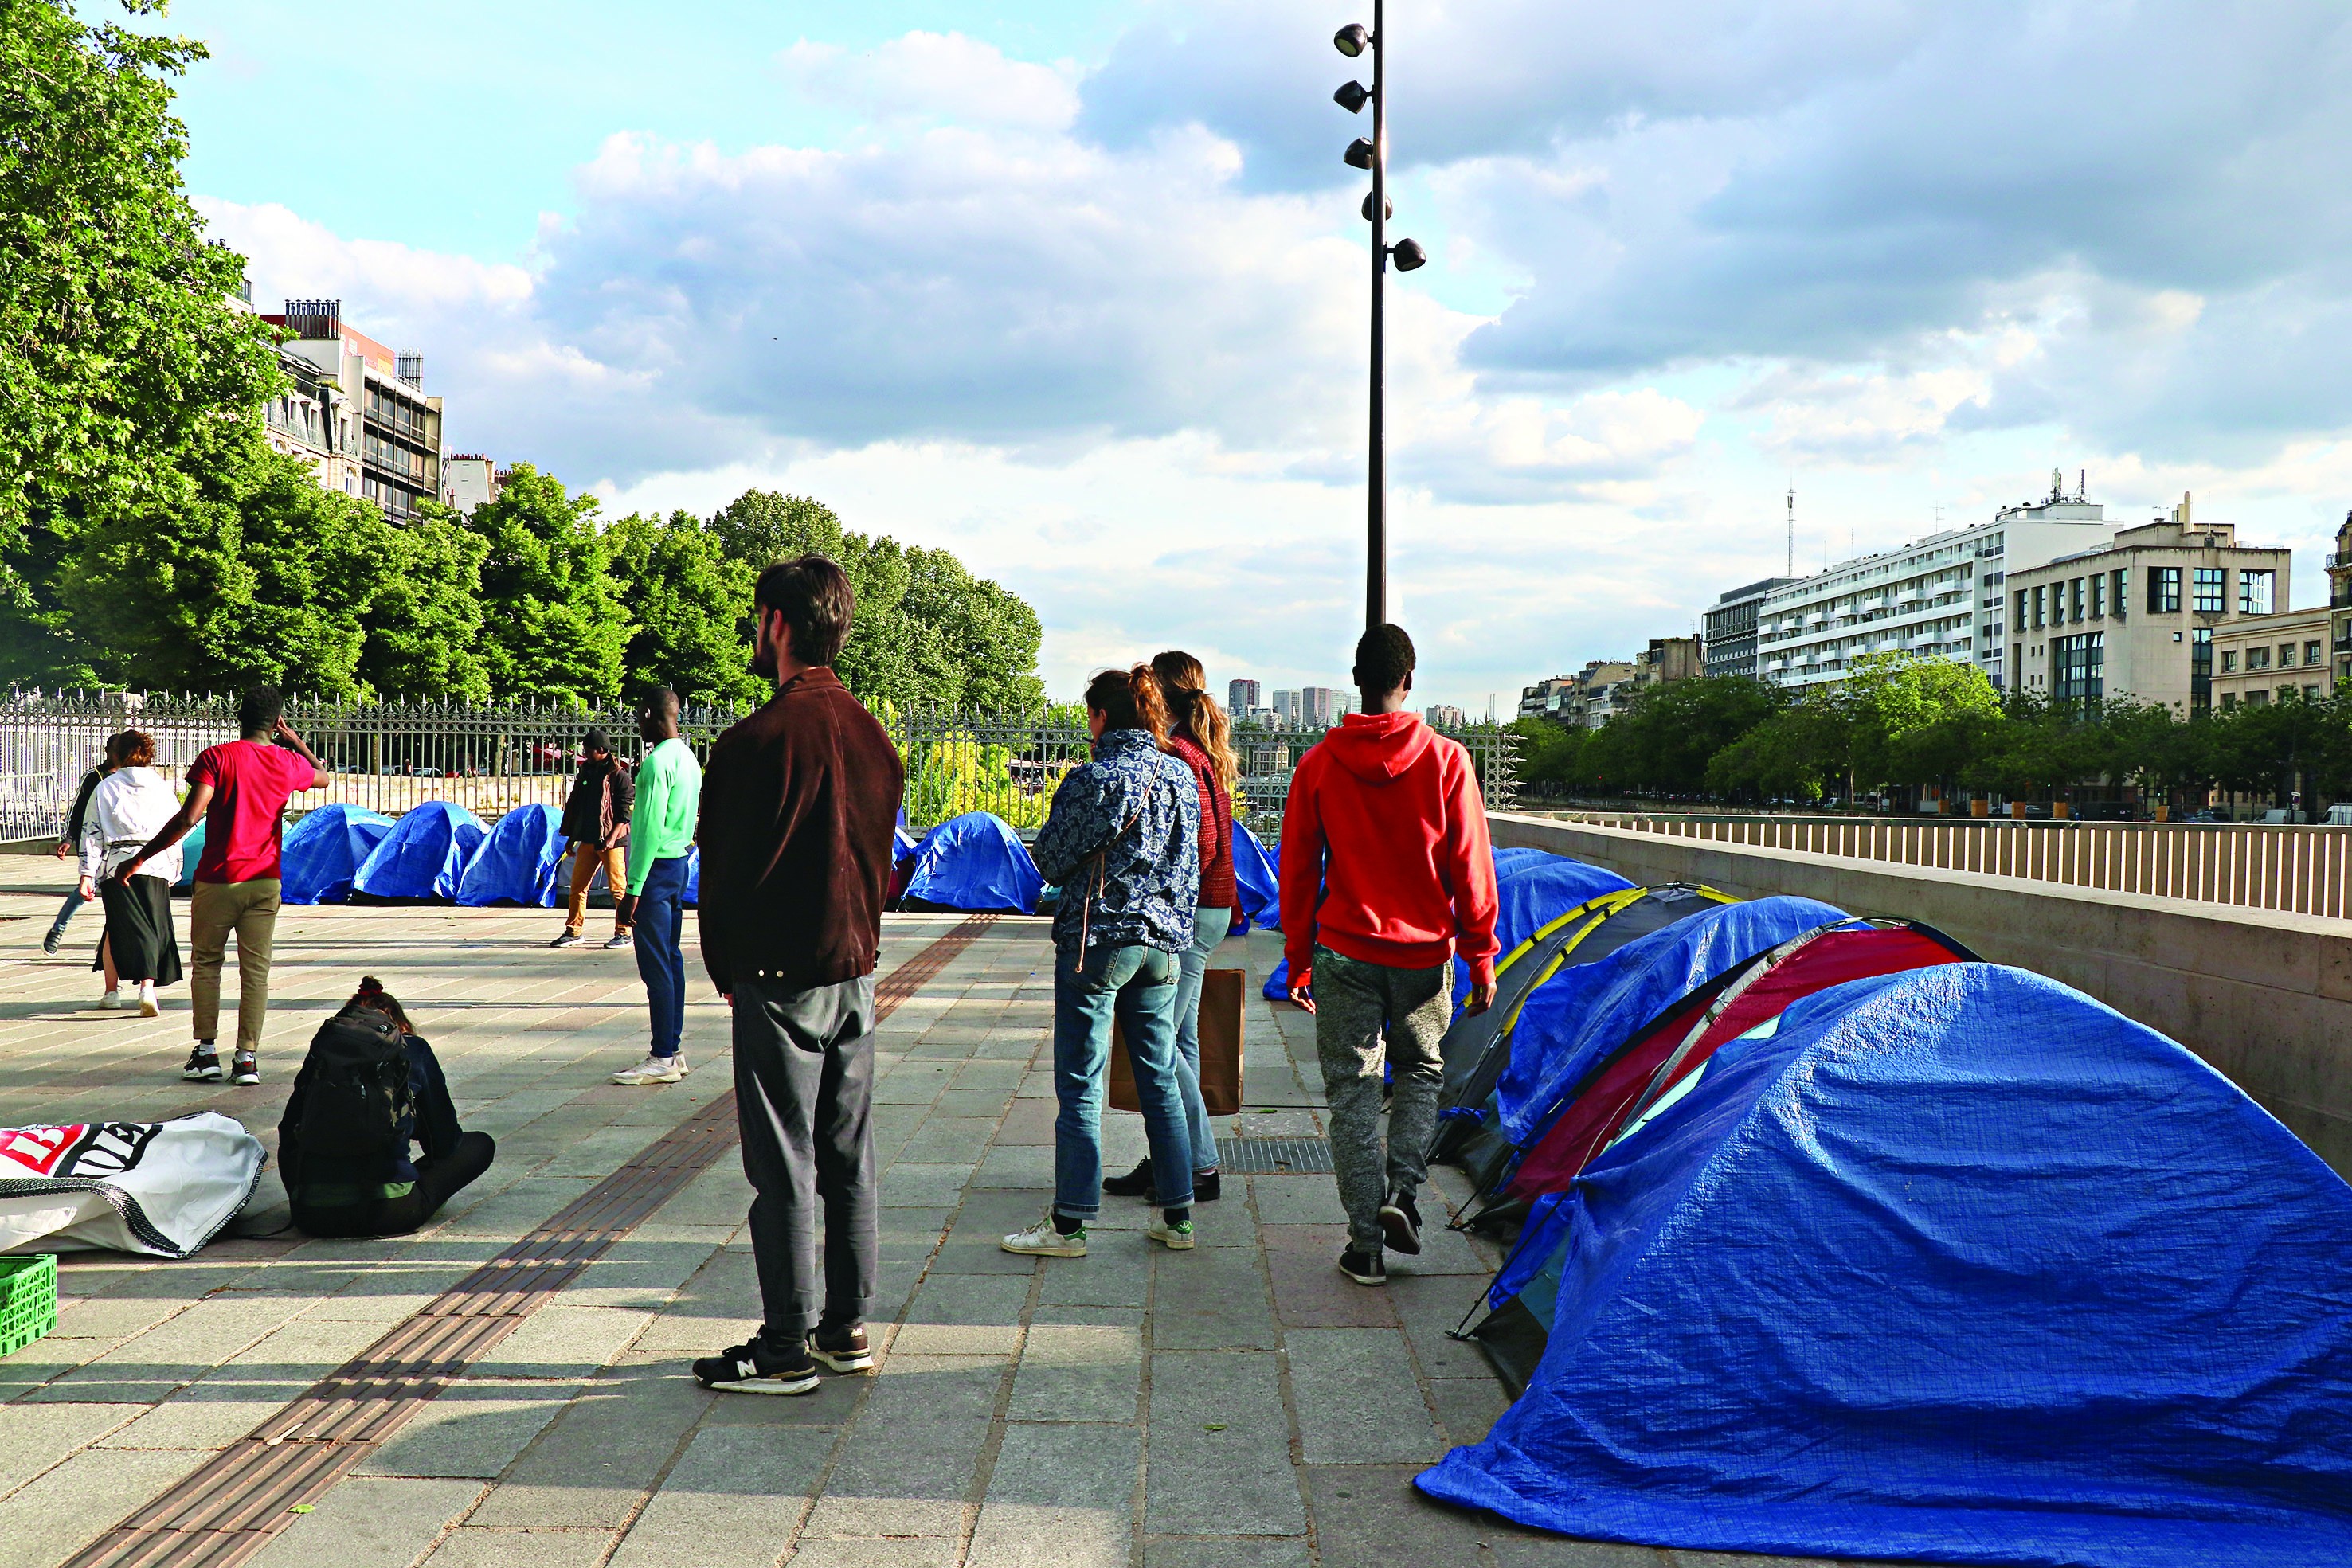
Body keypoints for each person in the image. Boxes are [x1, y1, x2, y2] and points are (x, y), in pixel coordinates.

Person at [690, 554, 905, 1396]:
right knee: (849, 1154)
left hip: (778, 976)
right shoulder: (871, 733)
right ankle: (844, 1326)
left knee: (782, 1162)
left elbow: (725, 868)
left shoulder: (755, 741)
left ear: (777, 623)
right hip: (852, 968)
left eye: (756, 618)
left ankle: (784, 1343)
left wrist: (728, 965)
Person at [1278, 624, 1499, 1287]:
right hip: (1424, 956)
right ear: (1409, 679)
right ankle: (1403, 1193)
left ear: (1356, 677)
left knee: (1351, 1091)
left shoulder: (1318, 763)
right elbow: (1470, 864)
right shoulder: (1447, 760)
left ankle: (1364, 1246)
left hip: (1344, 951)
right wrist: (1480, 953)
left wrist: (1297, 956)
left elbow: (1295, 870)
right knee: (1422, 1073)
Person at [1004, 666, 1201, 1261]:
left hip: (1100, 945)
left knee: (1081, 1082)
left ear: (1099, 717)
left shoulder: (1093, 778)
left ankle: (1068, 1224)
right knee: (1160, 1077)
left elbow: (1051, 861)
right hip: (1165, 946)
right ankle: (1178, 1215)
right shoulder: (1181, 777)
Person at [113, 686, 327, 1086]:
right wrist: (295, 740)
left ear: (239, 717)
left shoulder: (218, 757)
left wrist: (140, 858)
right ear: (276, 721)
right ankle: (247, 1058)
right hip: (265, 880)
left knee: (208, 964)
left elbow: (188, 818)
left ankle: (207, 1052)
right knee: (256, 972)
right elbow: (324, 777)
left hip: (218, 879)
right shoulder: (286, 762)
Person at [1104, 652, 1243, 1206]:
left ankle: (1199, 1167)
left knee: (1159, 1041)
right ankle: (1172, 1154)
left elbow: (1203, 843)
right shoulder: (1197, 746)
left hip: (1192, 910)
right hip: (1211, 905)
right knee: (1179, 1038)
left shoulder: (1180, 752)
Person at [279, 977, 496, 1238]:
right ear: (401, 1026)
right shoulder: (413, 1048)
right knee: (479, 1144)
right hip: (388, 1213)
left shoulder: (323, 1053)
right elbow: (444, 1142)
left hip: (312, 1217)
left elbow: (288, 1134)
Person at [610, 688, 702, 1086]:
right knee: (671, 958)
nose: (638, 721)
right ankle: (674, 1049)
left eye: (639, 714)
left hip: (655, 867)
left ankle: (663, 1053)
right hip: (679, 862)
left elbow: (646, 830)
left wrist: (632, 888)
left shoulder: (655, 763)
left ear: (649, 713)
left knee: (655, 966)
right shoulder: (688, 758)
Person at [79, 731, 184, 1017]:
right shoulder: (162, 787)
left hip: (116, 864)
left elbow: (92, 833)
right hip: (156, 863)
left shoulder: (106, 786)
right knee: (152, 925)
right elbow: (177, 828)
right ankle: (146, 988)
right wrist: (176, 866)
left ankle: (111, 992)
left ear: (118, 754)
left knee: (116, 925)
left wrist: (87, 873)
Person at [550, 727, 634, 950]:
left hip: (612, 842)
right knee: (578, 886)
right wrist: (571, 838)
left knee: (618, 888)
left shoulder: (619, 776)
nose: (585, 753)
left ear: (601, 750)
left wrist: (611, 838)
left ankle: (624, 932)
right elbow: (577, 806)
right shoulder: (586, 771)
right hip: (588, 839)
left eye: (588, 750)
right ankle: (573, 931)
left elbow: (624, 814)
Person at [45, 742, 117, 955]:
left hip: (120, 843)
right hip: (95, 841)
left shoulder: (129, 777)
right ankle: (57, 930)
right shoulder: (94, 776)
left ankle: (108, 942)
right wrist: (69, 838)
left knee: (118, 894)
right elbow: (77, 810)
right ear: (109, 752)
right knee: (85, 889)